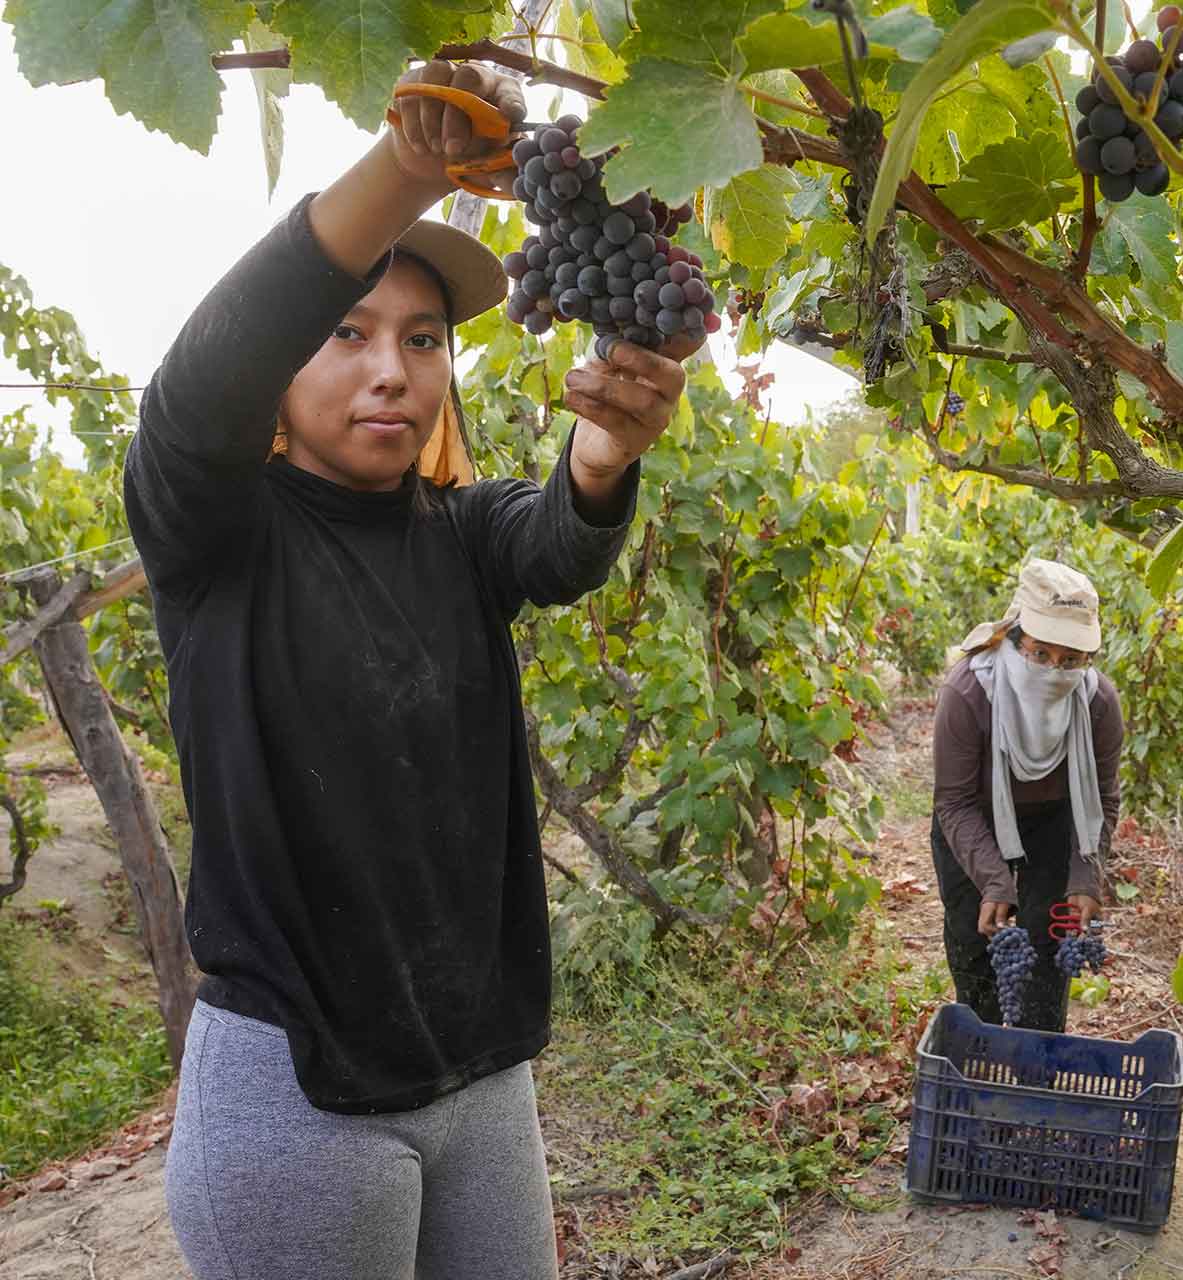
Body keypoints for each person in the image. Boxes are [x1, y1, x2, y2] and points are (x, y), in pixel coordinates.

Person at [133, 60, 699, 1280]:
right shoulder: (215, 534)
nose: (391, 368)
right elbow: (191, 398)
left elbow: (558, 539)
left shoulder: (459, 530)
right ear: (278, 369)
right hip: (295, 1100)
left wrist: (601, 454)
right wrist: (407, 165)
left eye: (424, 338)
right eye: (345, 333)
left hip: (482, 1082)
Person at [931, 558, 1125, 1032]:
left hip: (1056, 821)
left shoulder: (1098, 703)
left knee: (1046, 944)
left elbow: (1102, 799)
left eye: (1071, 661)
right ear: (1013, 639)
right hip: (974, 816)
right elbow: (953, 803)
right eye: (1041, 654)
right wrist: (995, 881)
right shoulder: (968, 693)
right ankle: (980, 1051)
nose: (1055, 670)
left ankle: (1038, 1060)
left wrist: (1085, 876)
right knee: (974, 935)